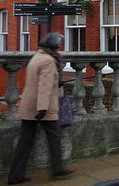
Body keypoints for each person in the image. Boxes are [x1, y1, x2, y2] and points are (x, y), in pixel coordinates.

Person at [8, 33, 74, 184]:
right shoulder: (48, 61)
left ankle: (15, 175)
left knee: (25, 140)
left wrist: (58, 82)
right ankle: (58, 169)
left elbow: (39, 80)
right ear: (53, 45)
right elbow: (44, 87)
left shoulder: (37, 56)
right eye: (59, 44)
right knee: (54, 135)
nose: (60, 47)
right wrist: (43, 109)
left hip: (28, 104)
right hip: (41, 107)